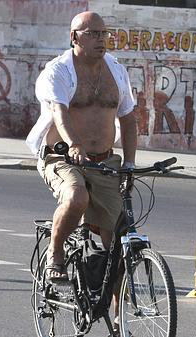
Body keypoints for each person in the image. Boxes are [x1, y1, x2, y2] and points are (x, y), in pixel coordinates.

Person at [26, 11, 137, 290]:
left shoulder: (116, 71)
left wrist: (130, 163)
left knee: (120, 238)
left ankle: (119, 319)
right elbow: (60, 113)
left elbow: (128, 118)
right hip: (62, 156)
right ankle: (56, 252)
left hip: (104, 160)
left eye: (104, 34)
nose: (102, 40)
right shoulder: (59, 70)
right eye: (93, 34)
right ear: (75, 37)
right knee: (77, 196)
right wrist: (74, 145)